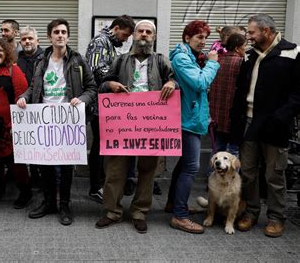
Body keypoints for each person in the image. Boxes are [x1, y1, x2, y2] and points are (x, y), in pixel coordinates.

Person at [95, 20, 177, 233]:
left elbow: (175, 81)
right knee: (115, 169)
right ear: (133, 35)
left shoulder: (161, 61)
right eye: (140, 31)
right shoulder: (120, 60)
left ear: (154, 37)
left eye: (148, 32)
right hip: (122, 124)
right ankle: (112, 211)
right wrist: (110, 85)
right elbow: (103, 84)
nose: (144, 34)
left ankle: (140, 212)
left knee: (148, 170)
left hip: (152, 125)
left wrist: (171, 83)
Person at [17, 18, 97, 225]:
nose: (60, 35)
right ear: (49, 37)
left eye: (63, 32)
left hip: (68, 122)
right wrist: (24, 97)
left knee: (65, 167)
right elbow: (34, 87)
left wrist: (82, 100)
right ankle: (49, 202)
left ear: (68, 36)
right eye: (56, 32)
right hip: (44, 121)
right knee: (46, 166)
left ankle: (65, 205)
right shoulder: (41, 61)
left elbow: (92, 88)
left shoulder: (78, 60)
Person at [231, 14, 300, 238]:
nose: (248, 36)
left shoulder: (292, 52)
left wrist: (282, 116)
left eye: (251, 33)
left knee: (274, 175)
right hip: (249, 122)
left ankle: (276, 217)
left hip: (275, 125)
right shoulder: (250, 55)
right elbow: (241, 89)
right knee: (248, 172)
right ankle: (251, 212)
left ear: (267, 32)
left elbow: (298, 93)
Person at [166, 20, 219, 234]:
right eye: (199, 37)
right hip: (187, 119)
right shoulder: (182, 57)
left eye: (205, 37)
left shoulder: (191, 56)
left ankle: (173, 204)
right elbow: (199, 83)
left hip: (191, 117)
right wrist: (213, 63)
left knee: (183, 164)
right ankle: (179, 216)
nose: (203, 41)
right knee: (191, 166)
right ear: (187, 38)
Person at [85, 15, 135, 202]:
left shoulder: (110, 45)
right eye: (125, 34)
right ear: (116, 28)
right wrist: (120, 80)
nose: (125, 39)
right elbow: (97, 70)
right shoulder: (100, 42)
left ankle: (102, 183)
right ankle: (95, 187)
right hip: (99, 106)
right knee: (99, 145)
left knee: (103, 145)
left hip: (107, 105)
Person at [0, 38, 32, 208]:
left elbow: (22, 97)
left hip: (10, 127)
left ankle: (25, 192)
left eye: (0, 51)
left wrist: (16, 126)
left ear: (6, 53)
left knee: (16, 163)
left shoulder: (14, 71)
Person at [208, 33, 246, 157]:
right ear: (237, 48)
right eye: (244, 46)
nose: (246, 49)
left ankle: (212, 175)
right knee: (233, 150)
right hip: (233, 116)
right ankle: (231, 176)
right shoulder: (241, 62)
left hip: (216, 115)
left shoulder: (216, 60)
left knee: (216, 149)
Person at [16, 26, 44, 187]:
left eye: (30, 38)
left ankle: (43, 178)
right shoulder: (16, 59)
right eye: (24, 39)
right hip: (22, 108)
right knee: (29, 145)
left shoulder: (46, 58)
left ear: (37, 41)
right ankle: (33, 177)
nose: (27, 41)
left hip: (41, 108)